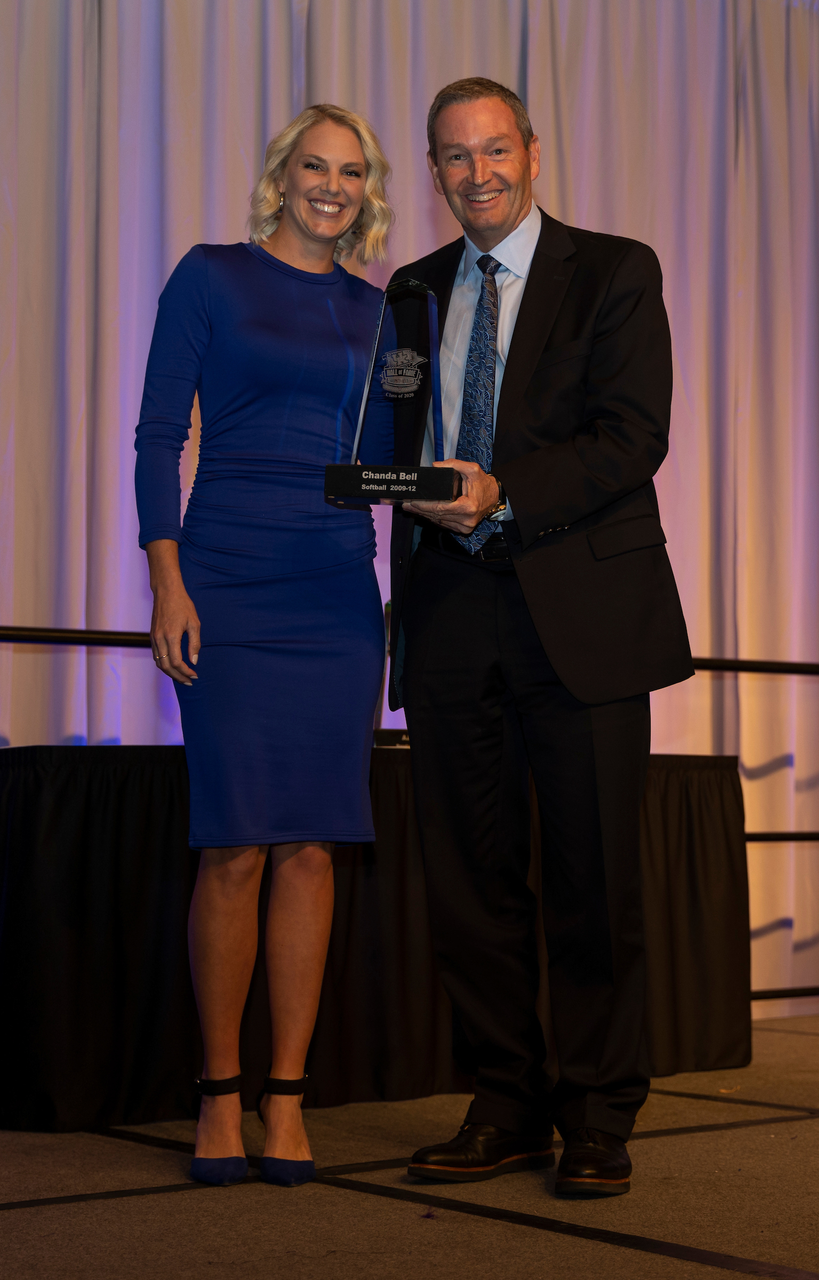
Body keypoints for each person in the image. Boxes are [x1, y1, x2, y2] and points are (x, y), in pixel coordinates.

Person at [385, 78, 693, 1197]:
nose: (478, 174)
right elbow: (388, 424)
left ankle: (599, 1112)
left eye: (495, 150)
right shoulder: (412, 289)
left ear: (531, 150)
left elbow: (631, 436)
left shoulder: (614, 269)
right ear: (435, 172)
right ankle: (504, 1099)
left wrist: (503, 487)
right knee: (467, 877)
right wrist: (382, 474)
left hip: (583, 614)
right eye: (455, 158)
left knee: (593, 873)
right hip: (449, 610)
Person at [134, 104, 393, 1188]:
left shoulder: (385, 314)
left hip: (337, 587)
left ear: (365, 191)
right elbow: (158, 435)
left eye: (350, 172)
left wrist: (451, 477)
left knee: (313, 843)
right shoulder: (209, 274)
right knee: (234, 841)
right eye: (312, 166)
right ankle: (219, 1090)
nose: (329, 185)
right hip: (228, 578)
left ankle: (287, 1096)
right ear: (281, 176)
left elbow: (382, 456)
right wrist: (167, 582)